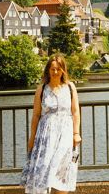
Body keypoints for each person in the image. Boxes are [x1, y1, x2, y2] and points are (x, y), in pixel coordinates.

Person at [21, 54, 82, 194]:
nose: (55, 72)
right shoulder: (42, 89)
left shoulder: (70, 87)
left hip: (65, 136)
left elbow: (75, 112)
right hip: (46, 136)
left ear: (63, 70)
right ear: (48, 70)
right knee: (43, 170)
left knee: (62, 172)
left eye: (58, 69)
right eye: (52, 69)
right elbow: (36, 115)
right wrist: (32, 138)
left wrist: (76, 133)